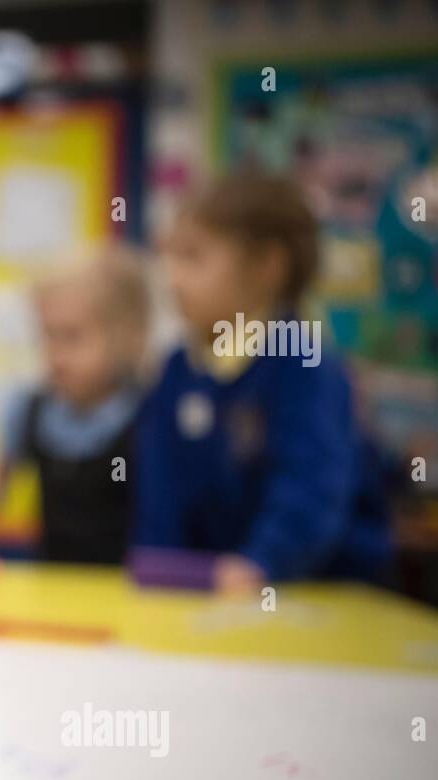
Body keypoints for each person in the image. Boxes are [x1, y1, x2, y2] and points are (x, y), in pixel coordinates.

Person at [134, 169, 391, 593]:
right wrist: (160, 571)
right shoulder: (178, 368)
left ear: (268, 266)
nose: (172, 278)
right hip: (211, 602)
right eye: (170, 258)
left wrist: (263, 563)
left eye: (193, 257)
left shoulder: (304, 366)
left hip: (323, 597)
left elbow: (310, 488)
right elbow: (159, 489)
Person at [0, 245, 149, 563]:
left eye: (72, 337)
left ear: (127, 336)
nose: (56, 355)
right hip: (52, 591)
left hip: (127, 599)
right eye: (47, 336)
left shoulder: (148, 417)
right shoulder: (30, 410)